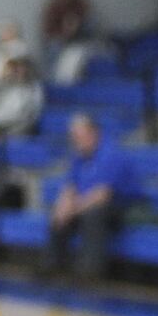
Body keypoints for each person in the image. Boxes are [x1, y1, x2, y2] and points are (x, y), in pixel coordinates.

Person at [44, 113, 140, 281]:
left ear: (93, 133)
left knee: (93, 215)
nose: (75, 140)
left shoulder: (111, 154)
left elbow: (103, 194)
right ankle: (54, 268)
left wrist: (73, 210)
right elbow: (70, 186)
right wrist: (63, 206)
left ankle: (90, 272)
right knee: (58, 214)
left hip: (124, 207)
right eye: (73, 136)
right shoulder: (79, 156)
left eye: (79, 136)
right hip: (88, 204)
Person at [40, 0, 95, 84]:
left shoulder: (83, 5)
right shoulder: (53, 7)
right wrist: (64, 32)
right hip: (58, 42)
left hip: (80, 42)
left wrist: (77, 27)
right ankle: (55, 83)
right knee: (53, 47)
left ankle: (68, 84)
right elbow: (48, 31)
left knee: (77, 54)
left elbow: (91, 29)